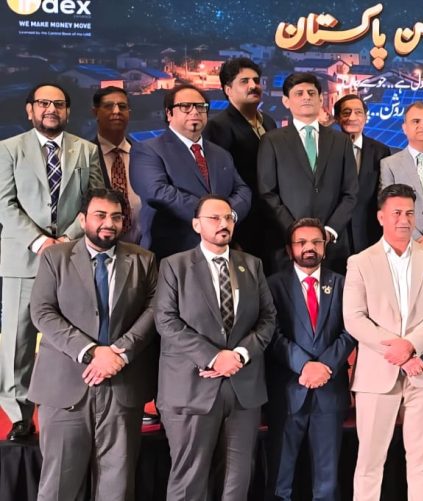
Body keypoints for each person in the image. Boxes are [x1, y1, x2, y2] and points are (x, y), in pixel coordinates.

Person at [28, 189, 158, 500]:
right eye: (100, 215)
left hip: (121, 385)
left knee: (117, 485)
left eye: (116, 217)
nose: (108, 223)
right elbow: (42, 312)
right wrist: (90, 352)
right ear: (83, 219)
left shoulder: (144, 260)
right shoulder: (55, 258)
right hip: (65, 388)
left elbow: (155, 310)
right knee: (59, 485)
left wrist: (119, 353)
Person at [154, 195, 276, 501]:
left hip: (242, 389)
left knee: (237, 482)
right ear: (196, 225)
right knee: (189, 482)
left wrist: (240, 355)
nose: (224, 224)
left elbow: (268, 318)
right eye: (215, 218)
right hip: (191, 389)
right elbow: (166, 321)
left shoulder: (252, 265)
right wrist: (213, 357)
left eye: (229, 218)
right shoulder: (174, 266)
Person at [0, 82, 104, 439]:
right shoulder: (8, 149)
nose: (51, 109)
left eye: (58, 104)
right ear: (30, 109)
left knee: (74, 334)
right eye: (43, 103)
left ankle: (72, 408)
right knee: (18, 339)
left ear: (68, 111)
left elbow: (94, 201)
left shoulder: (86, 150)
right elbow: (4, 203)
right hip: (23, 258)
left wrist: (68, 239)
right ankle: (19, 415)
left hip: (72, 257)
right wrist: (40, 241)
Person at [344, 183, 423, 501]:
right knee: (369, 462)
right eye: (396, 213)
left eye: (409, 213)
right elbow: (354, 318)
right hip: (377, 374)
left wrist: (411, 346)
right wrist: (401, 351)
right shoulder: (360, 262)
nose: (404, 219)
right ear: (381, 217)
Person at [265, 217, 355, 501]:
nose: (309, 248)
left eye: (317, 242)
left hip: (329, 391)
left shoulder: (341, 284)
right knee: (280, 480)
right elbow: (272, 334)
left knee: (327, 482)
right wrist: (304, 365)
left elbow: (350, 331)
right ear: (289, 248)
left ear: (325, 247)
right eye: (301, 242)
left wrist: (325, 365)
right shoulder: (273, 285)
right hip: (289, 390)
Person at [130, 84, 252, 260]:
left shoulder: (221, 153)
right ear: (169, 113)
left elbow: (242, 190)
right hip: (172, 252)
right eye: (185, 106)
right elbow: (157, 192)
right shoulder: (147, 150)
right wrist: (211, 216)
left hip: (220, 251)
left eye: (200, 107)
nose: (194, 112)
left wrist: (228, 215)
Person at [257, 73, 358, 273]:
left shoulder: (341, 141)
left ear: (320, 99)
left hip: (332, 246)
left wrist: (329, 231)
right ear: (286, 101)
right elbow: (267, 193)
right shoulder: (272, 141)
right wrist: (295, 232)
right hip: (287, 245)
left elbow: (350, 193)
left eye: (311, 93)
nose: (306, 97)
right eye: (299, 93)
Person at [205, 57, 277, 262]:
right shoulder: (218, 127)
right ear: (228, 89)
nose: (254, 86)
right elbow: (217, 184)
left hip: (271, 221)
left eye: (256, 80)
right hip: (243, 223)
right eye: (244, 81)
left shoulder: (269, 121)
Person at [379, 101, 423, 251]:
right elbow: (388, 207)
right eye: (416, 121)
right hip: (403, 247)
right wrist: (415, 239)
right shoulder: (389, 165)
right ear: (405, 128)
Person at [335, 94, 392, 254]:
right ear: (337, 118)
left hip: (369, 235)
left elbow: (383, 195)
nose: (352, 117)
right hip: (335, 236)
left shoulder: (381, 151)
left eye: (358, 112)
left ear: (366, 118)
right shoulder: (326, 149)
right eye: (346, 112)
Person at [91, 86, 142, 243]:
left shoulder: (144, 155)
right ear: (95, 112)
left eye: (122, 106)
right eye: (108, 106)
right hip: (101, 245)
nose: (116, 111)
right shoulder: (85, 155)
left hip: (145, 247)